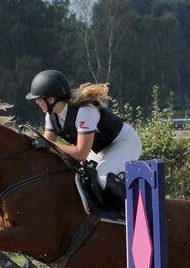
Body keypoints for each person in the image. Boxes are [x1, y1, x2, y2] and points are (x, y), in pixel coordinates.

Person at [26, 69, 142, 209]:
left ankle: (139, 213)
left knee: (102, 177)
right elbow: (46, 149)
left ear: (51, 99)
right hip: (101, 150)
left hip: (124, 142)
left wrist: (49, 145)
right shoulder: (51, 116)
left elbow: (81, 154)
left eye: (39, 98)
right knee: (81, 177)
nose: (37, 102)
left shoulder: (85, 111)